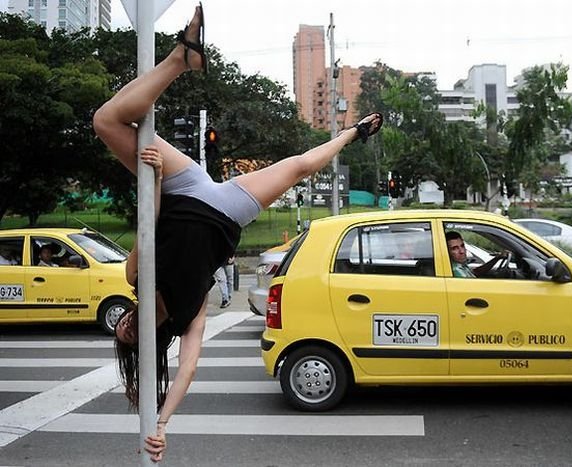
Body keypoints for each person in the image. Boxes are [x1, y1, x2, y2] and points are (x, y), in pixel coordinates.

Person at [92, 4, 382, 462]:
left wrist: (154, 180)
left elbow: (149, 226)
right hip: (225, 213)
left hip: (183, 187)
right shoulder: (189, 316)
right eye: (130, 335)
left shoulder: (135, 280)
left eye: (122, 328)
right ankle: (352, 132)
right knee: (300, 166)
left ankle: (179, 59)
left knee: (106, 121)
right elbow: (187, 370)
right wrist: (162, 425)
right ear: (146, 343)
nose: (125, 326)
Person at [445, 231, 509, 278]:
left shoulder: (460, 265)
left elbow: (476, 272)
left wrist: (497, 258)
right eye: (455, 248)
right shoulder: (456, 270)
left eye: (462, 246)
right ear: (446, 251)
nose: (462, 251)